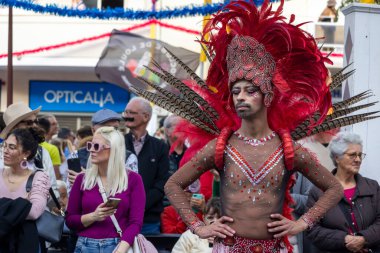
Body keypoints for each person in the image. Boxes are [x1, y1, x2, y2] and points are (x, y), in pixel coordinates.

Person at [130, 0, 367, 252]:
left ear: (267, 95)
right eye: (235, 91)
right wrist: (199, 228)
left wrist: (302, 223)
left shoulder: (287, 148)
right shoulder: (222, 146)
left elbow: (333, 188)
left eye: (250, 90)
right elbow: (173, 185)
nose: (240, 97)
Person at [66, 126, 146, 253]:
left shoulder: (133, 179)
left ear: (113, 150)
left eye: (96, 146)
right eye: (90, 145)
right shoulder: (82, 179)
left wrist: (121, 250)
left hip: (118, 245)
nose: (91, 150)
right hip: (85, 246)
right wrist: (94, 216)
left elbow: (135, 222)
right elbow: (70, 220)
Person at [306, 132, 380, 253]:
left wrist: (364, 239)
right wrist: (344, 239)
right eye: (352, 155)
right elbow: (312, 229)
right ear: (337, 158)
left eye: (360, 155)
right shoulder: (319, 191)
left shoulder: (372, 187)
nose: (358, 159)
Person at [123, 97, 170, 235]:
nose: (127, 116)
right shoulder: (118, 143)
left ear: (146, 117)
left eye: (131, 112)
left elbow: (162, 182)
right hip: (120, 218)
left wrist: (140, 204)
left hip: (148, 220)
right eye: (126, 112)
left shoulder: (160, 146)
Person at [0, 127, 51, 252]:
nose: (5, 151)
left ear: (26, 154)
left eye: (11, 147)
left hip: (25, 242)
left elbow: (34, 212)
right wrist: (23, 202)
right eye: (4, 146)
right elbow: (28, 209)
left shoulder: (39, 177)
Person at [0, 102, 58, 197]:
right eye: (29, 122)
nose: (35, 125)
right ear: (14, 127)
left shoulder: (42, 152)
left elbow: (53, 190)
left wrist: (38, 199)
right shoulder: (2, 153)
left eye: (36, 121)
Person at [68, 109, 138, 186]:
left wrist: (86, 180)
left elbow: (128, 189)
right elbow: (69, 191)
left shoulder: (129, 157)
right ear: (93, 131)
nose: (112, 133)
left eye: (115, 129)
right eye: (106, 129)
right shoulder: (76, 155)